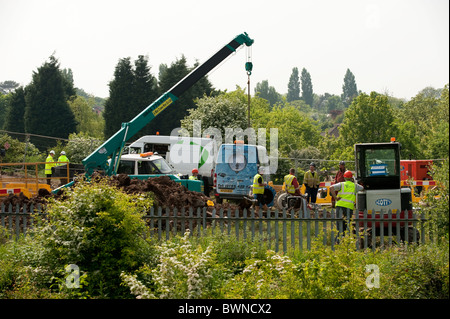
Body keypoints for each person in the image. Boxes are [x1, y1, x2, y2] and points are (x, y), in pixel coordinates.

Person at [330, 170, 364, 239]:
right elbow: (362, 188)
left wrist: (335, 197)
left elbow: (331, 188)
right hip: (349, 207)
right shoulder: (355, 186)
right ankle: (342, 239)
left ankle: (338, 240)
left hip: (340, 206)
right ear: (352, 178)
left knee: (339, 225)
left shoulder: (341, 184)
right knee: (346, 225)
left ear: (344, 178)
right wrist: (354, 181)